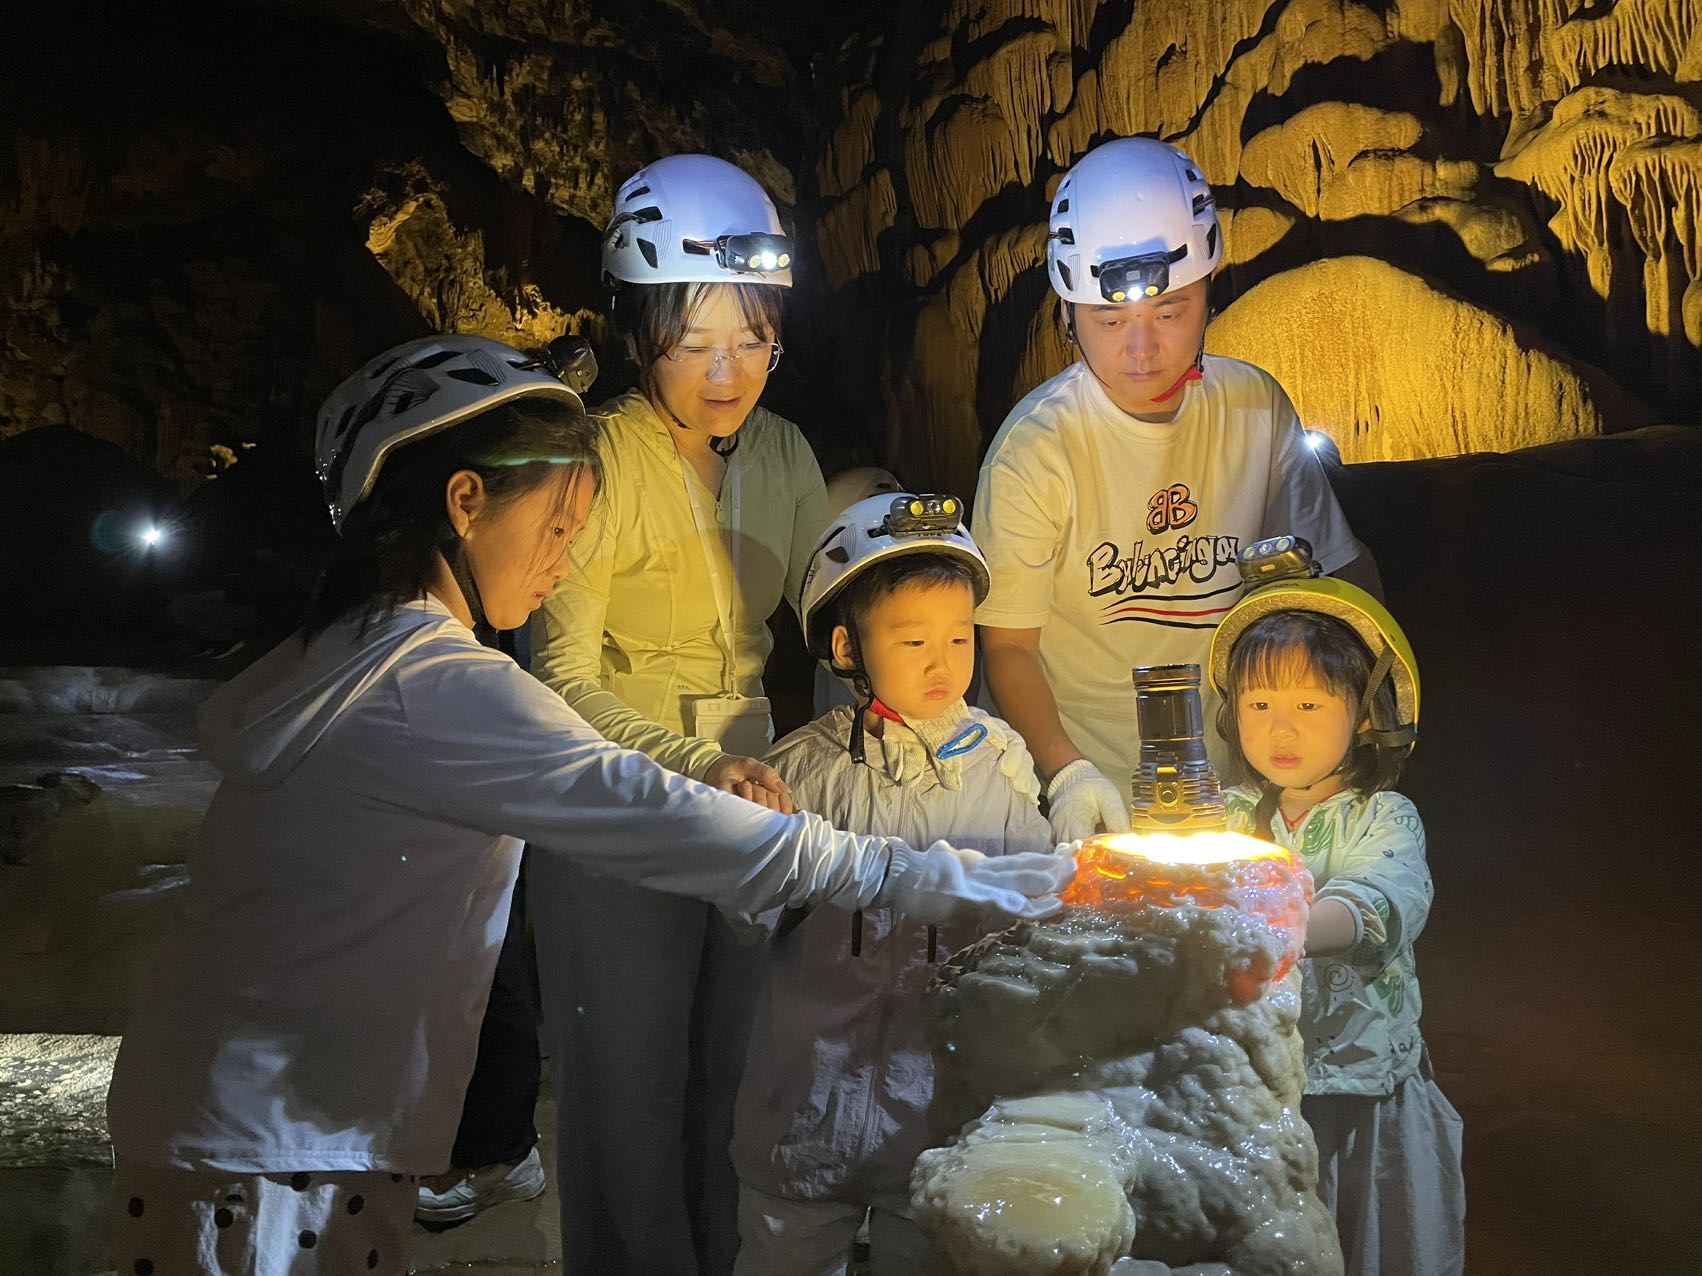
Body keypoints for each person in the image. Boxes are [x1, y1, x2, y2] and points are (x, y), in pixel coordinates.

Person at [104, 335, 1074, 1276]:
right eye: (559, 526)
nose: (565, 560)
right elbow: (657, 815)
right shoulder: (435, 684)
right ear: (466, 500)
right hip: (284, 1138)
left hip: (237, 1112)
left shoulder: (344, 655)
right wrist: (958, 878)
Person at [525, 152, 830, 1275]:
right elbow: (558, 672)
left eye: (752, 337)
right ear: (637, 330)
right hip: (617, 811)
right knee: (626, 1091)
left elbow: (837, 624)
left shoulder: (785, 456)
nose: (727, 369)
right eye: (695, 340)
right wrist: (686, 764)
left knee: (742, 1083)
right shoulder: (599, 458)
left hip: (750, 802)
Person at [972, 136, 1379, 845]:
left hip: (1240, 793)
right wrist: (1068, 775)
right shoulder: (1037, 449)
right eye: (1110, 320)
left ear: (1208, 291)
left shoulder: (1254, 409)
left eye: (1170, 312)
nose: (1141, 348)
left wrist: (1354, 720)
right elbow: (1007, 647)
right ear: (1068, 313)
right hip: (1081, 794)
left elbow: (1341, 576)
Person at [732, 492, 1056, 1275]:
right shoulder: (803, 768)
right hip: (807, 1094)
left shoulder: (1001, 765)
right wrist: (747, 833)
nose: (943, 662)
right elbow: (748, 910)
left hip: (939, 1102)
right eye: (913, 640)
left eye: (958, 636)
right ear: (847, 646)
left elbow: (1036, 913)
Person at [1208, 536, 1465, 1276]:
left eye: (1309, 702)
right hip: (1254, 1101)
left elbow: (1374, 908)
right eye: (1258, 702)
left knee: (1369, 1249)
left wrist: (1269, 925)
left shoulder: (1383, 820)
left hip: (1360, 1094)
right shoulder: (1225, 820)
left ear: (1363, 711)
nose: (1279, 727)